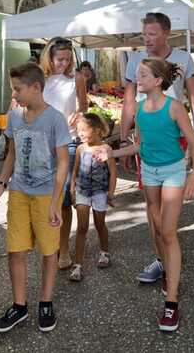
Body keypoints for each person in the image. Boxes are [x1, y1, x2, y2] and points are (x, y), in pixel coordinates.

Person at [96, 59, 194, 332]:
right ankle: (168, 273)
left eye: (142, 75)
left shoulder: (174, 107)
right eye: (137, 74)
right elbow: (140, 146)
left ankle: (172, 303)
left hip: (174, 171)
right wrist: (112, 153)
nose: (137, 78)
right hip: (151, 172)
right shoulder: (139, 110)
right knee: (156, 229)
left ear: (157, 81)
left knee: (168, 232)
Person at [120, 12, 194, 287]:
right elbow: (129, 102)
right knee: (151, 206)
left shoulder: (183, 58)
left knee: (169, 210)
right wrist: (124, 140)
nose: (146, 38)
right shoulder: (134, 60)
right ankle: (160, 259)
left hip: (176, 137)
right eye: (144, 33)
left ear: (167, 33)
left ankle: (170, 254)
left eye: (152, 34)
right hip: (146, 140)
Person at [0, 63, 71, 333]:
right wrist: (1, 183)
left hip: (46, 196)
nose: (15, 95)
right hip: (20, 192)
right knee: (15, 250)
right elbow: (11, 153)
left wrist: (56, 201)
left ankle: (45, 303)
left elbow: (63, 163)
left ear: (36, 87)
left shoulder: (55, 119)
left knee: (49, 251)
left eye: (18, 89)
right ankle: (19, 306)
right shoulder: (14, 117)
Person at [39, 37, 88, 271]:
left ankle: (64, 249)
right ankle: (50, 244)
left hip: (68, 142)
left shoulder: (76, 78)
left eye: (68, 59)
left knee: (65, 199)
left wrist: (78, 115)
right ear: (50, 57)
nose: (65, 64)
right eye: (60, 59)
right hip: (42, 144)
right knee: (45, 198)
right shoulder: (39, 79)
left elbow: (84, 106)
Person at [68, 113, 116, 282]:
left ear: (96, 131)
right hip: (82, 191)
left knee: (99, 223)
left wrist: (111, 193)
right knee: (81, 227)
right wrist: (72, 187)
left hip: (99, 192)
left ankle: (104, 252)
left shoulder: (106, 149)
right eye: (78, 130)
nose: (79, 133)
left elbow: (113, 173)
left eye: (83, 130)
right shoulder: (80, 148)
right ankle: (78, 265)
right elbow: (75, 169)